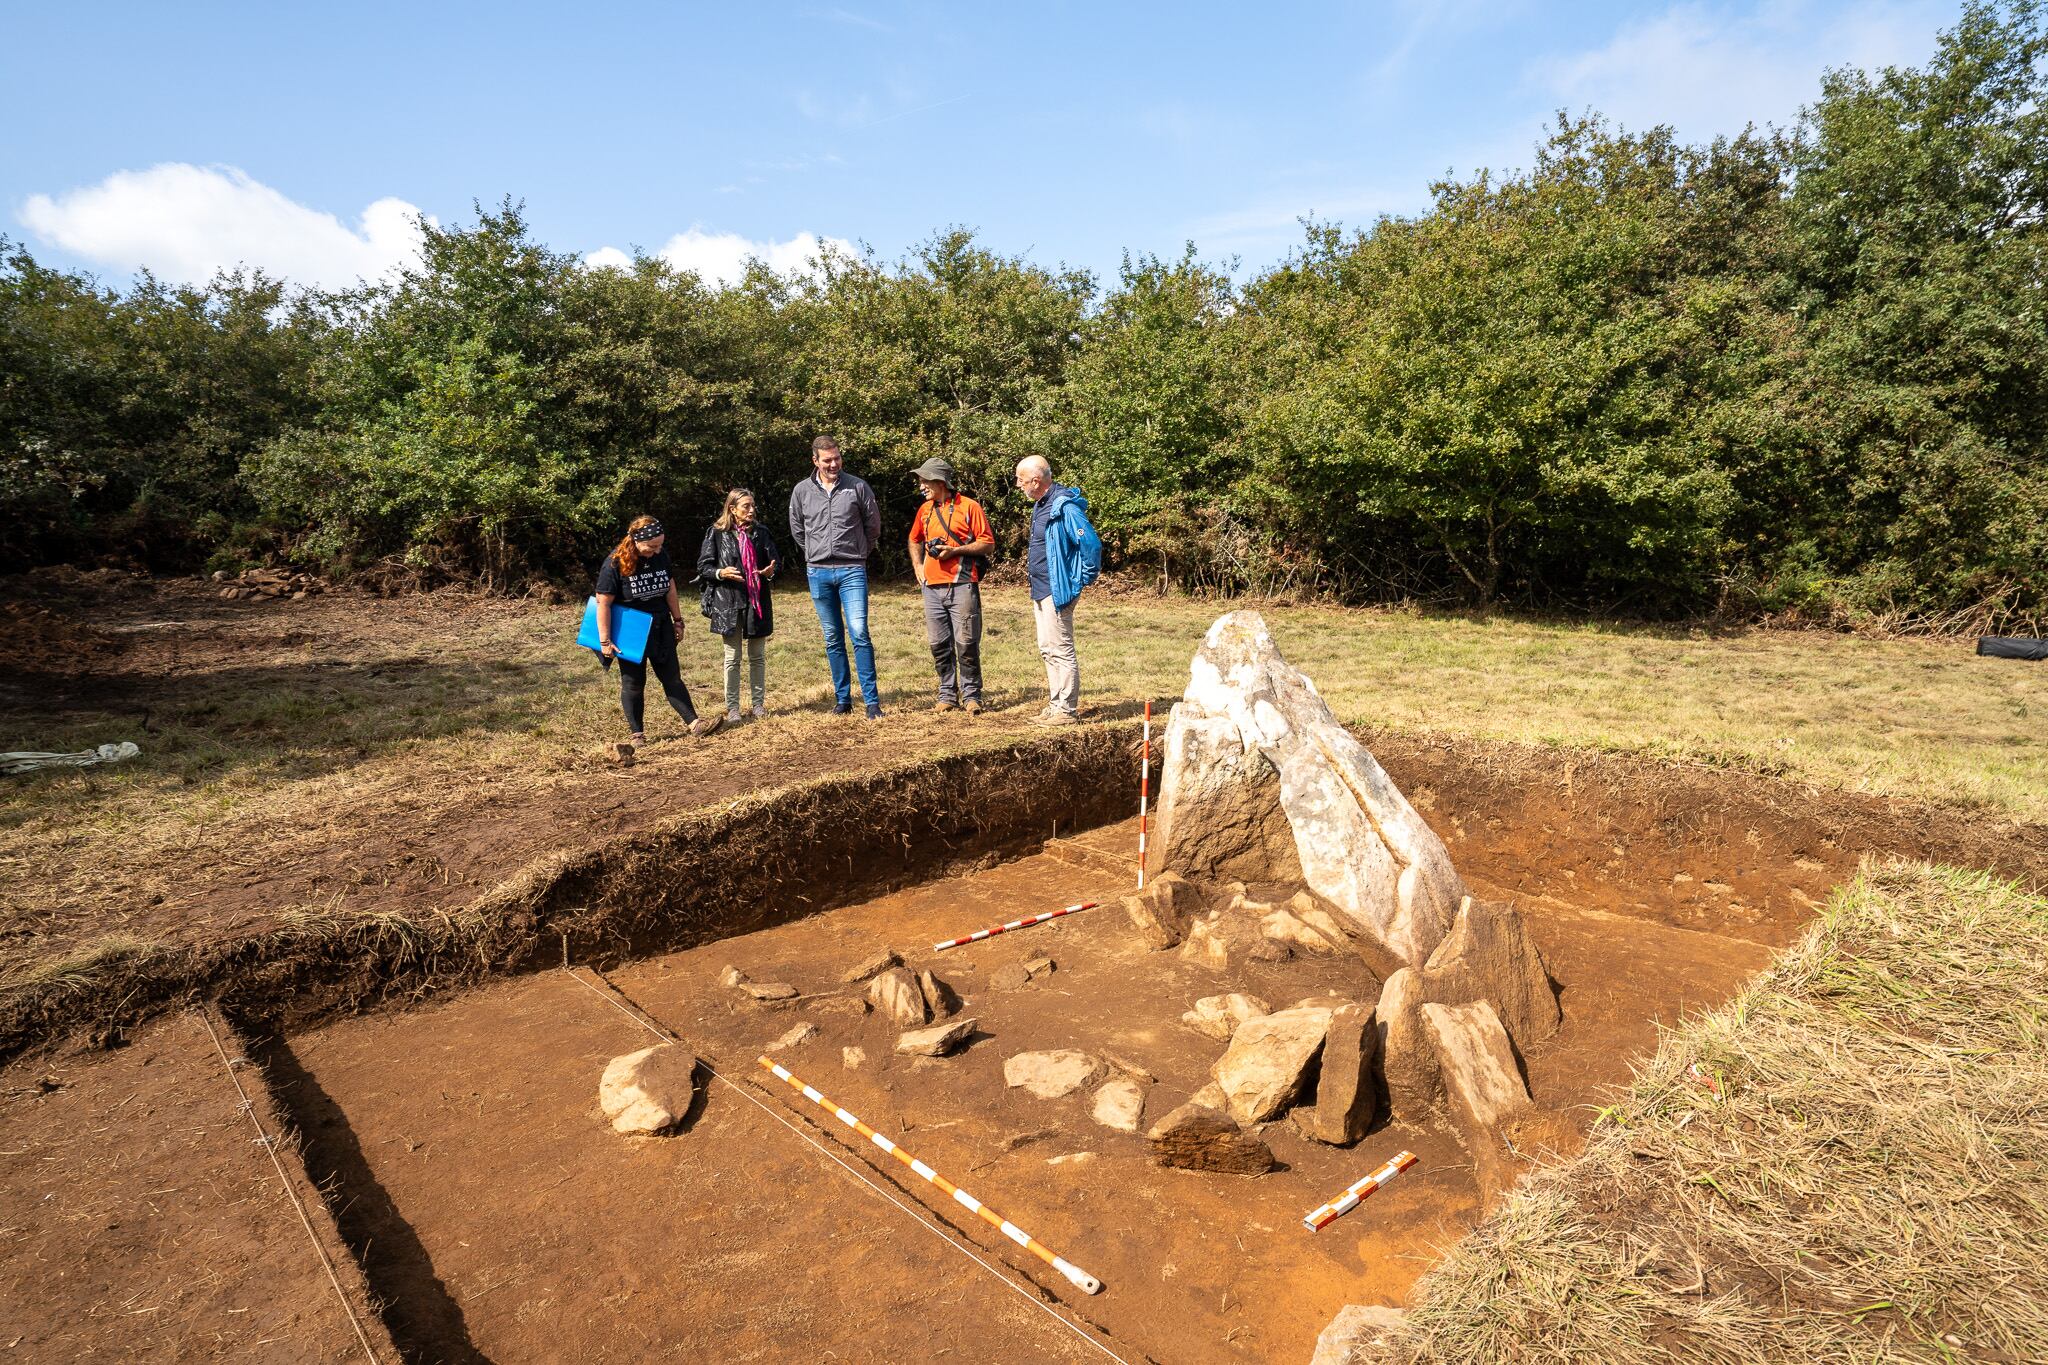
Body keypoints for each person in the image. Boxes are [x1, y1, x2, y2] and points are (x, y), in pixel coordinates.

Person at [594, 514, 722, 745]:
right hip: (630, 629)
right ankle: (637, 734)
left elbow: (670, 588)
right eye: (652, 546)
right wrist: (605, 640)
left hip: (661, 624)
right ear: (635, 540)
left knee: (672, 676)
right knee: (633, 682)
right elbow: (603, 602)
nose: (656, 550)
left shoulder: (660, 556)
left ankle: (695, 724)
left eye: (660, 545)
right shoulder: (614, 563)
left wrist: (678, 620)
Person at [788, 435, 884, 718]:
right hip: (817, 572)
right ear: (815, 461)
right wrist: (816, 552)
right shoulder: (802, 491)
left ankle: (872, 703)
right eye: (827, 460)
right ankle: (842, 700)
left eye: (837, 458)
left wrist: (858, 552)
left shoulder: (858, 486)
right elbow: (797, 528)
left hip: (852, 569)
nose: (834, 464)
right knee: (832, 637)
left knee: (859, 633)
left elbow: (873, 525)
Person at [1015, 455, 1102, 725]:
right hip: (1040, 588)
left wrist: (1081, 579)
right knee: (1047, 648)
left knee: (1060, 648)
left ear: (1035, 480)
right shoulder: (1041, 504)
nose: (1018, 485)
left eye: (1020, 480)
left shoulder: (1064, 506)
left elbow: (1091, 544)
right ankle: (1055, 705)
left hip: (1058, 589)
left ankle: (1066, 710)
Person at [907, 457, 995, 715]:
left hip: (963, 584)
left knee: (966, 642)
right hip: (931, 587)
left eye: (925, 480)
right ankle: (946, 694)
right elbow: (914, 540)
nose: (921, 485)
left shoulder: (969, 507)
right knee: (938, 643)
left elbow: (987, 543)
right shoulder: (924, 510)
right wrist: (918, 566)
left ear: (940, 481)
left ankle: (971, 696)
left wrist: (955, 551)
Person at [697, 488, 780, 723]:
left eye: (753, 505)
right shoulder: (716, 533)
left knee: (758, 656)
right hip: (728, 602)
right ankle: (733, 708)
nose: (751, 510)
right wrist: (721, 572)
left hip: (757, 602)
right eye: (746, 506)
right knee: (732, 658)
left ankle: (758, 705)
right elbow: (704, 568)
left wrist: (770, 572)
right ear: (732, 509)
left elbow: (776, 562)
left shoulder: (761, 533)